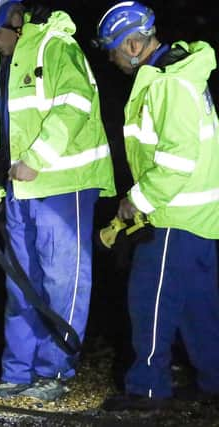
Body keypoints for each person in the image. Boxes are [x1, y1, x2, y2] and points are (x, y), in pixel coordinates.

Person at [0, 0, 117, 401]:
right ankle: (17, 374)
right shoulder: (2, 66)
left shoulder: (56, 47)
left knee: (61, 281)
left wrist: (37, 159)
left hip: (65, 185)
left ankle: (55, 372)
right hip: (21, 190)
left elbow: (75, 104)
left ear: (15, 19)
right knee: (21, 284)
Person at [92, 1, 219, 411]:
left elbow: (177, 159)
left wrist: (137, 201)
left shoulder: (167, 83)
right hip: (200, 216)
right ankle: (213, 382)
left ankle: (147, 390)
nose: (111, 59)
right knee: (197, 307)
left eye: (112, 50)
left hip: (173, 215)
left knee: (151, 300)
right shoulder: (182, 76)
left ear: (132, 44)